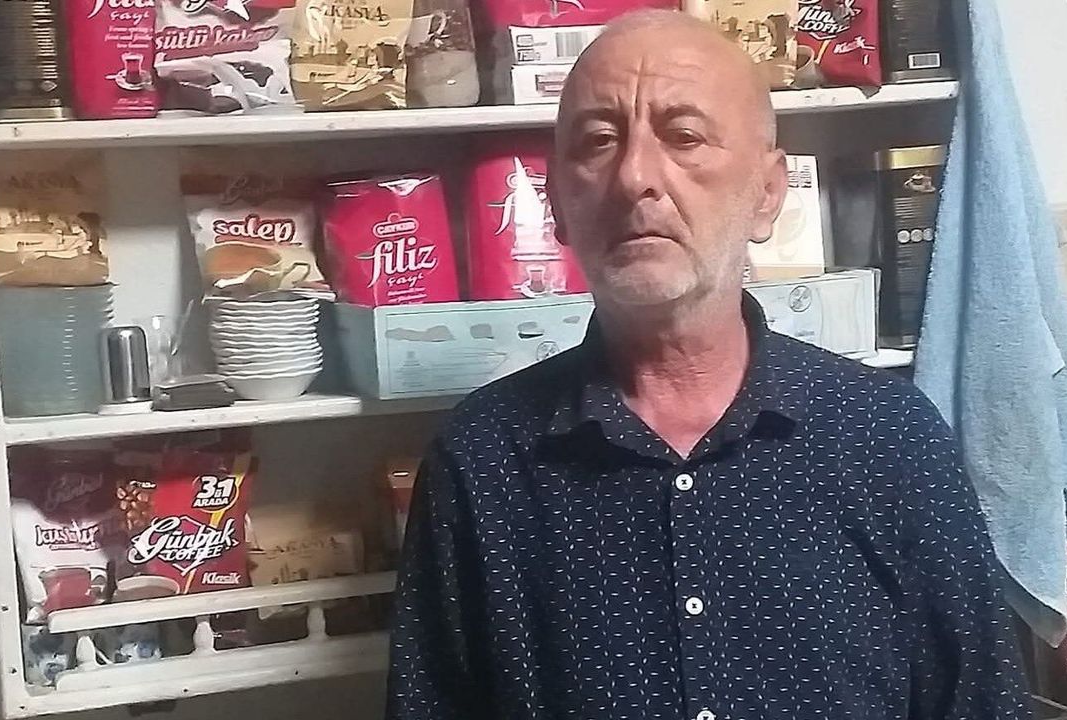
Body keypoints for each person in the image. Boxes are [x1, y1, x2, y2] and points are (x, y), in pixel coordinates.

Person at [387, 10, 1031, 720]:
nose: (635, 177)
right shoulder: (480, 461)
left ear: (767, 193)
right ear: (558, 204)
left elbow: (984, 704)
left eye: (684, 136)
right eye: (598, 141)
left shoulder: (890, 440)